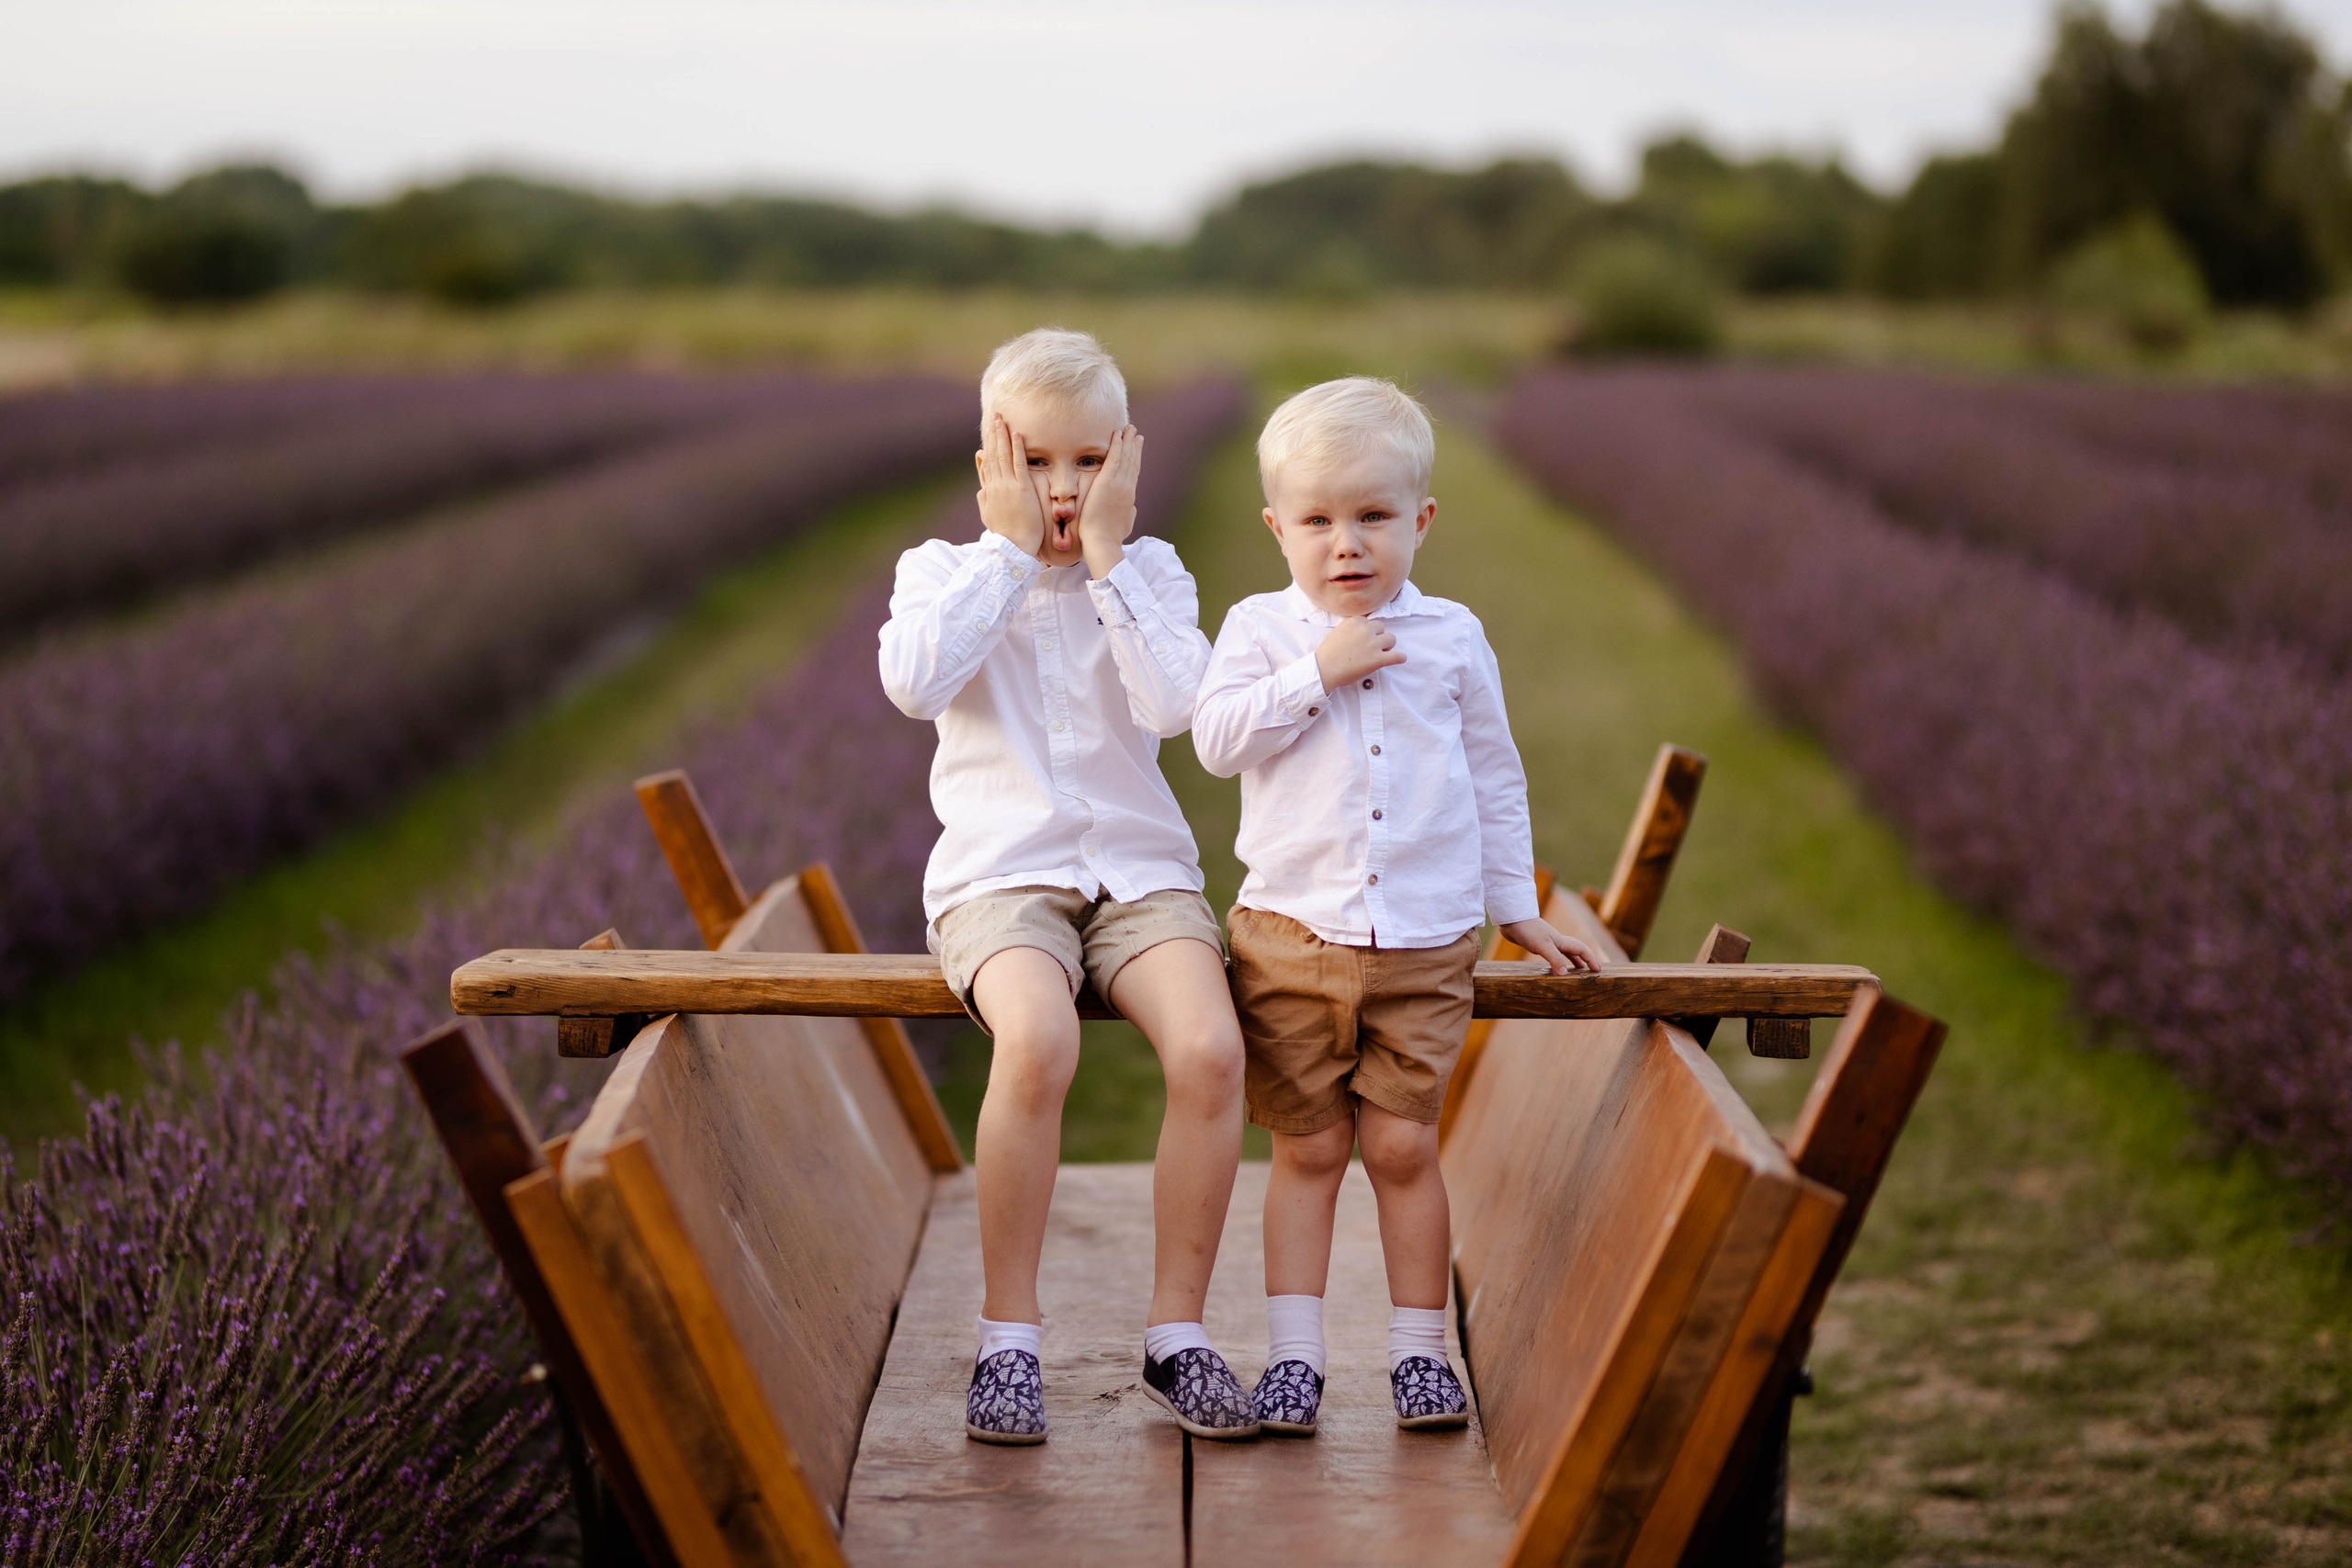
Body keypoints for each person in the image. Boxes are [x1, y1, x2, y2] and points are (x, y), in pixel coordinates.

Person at [1192, 377, 1600, 1437]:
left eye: (1372, 517)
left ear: (1419, 520)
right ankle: (1293, 1360)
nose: (1346, 545)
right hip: (1291, 938)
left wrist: (1517, 907)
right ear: (1277, 528)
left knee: (1403, 1152)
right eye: (1317, 521)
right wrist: (1313, 676)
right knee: (1310, 1150)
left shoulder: (1455, 636)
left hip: (1424, 943)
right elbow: (1217, 742)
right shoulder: (1260, 631)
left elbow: (1492, 775)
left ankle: (1420, 1355)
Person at [878, 328, 1258, 1446]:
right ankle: (1009, 1339)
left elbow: (1177, 708)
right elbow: (915, 685)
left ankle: (1175, 1335)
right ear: (989, 459)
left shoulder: (1152, 574)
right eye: (1035, 461)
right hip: (1002, 876)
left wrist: (1106, 562)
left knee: (1210, 1050)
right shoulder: (942, 571)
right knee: (1038, 1042)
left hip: (1138, 872)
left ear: (1124, 462)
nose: (1060, 488)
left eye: (1088, 462)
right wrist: (1005, 554)